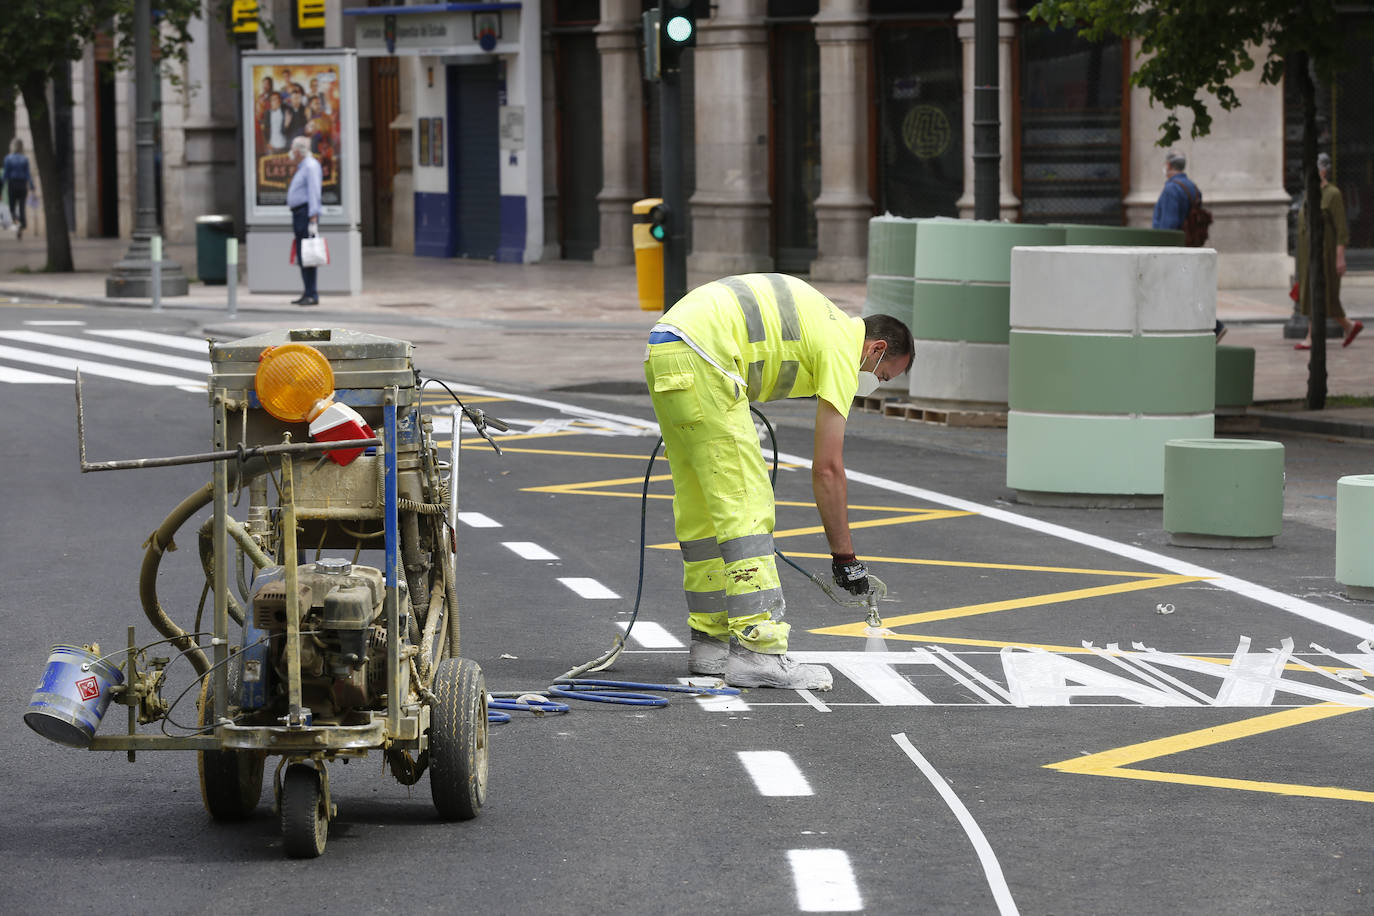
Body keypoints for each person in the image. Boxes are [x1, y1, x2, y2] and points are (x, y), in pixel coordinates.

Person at [645, 274, 914, 690]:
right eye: (883, 376)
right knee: (746, 503)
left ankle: (710, 644)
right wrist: (844, 557)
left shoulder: (822, 323)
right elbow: (827, 468)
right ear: (876, 349)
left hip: (666, 347)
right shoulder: (842, 348)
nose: (874, 384)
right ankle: (759, 651)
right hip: (705, 355)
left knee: (702, 509)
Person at [1153, 150, 1225, 340]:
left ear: (1168, 165)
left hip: (1174, 251)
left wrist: (1158, 250)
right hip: (1190, 247)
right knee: (1185, 289)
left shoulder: (1171, 189)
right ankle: (1210, 326)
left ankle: (1213, 326)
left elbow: (1167, 228)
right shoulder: (1192, 187)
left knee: (1176, 291)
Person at [1295, 152, 1361, 350]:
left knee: (1321, 294)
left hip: (1326, 254)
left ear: (1324, 170)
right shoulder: (1310, 192)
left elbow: (1341, 229)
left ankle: (1312, 336)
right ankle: (1349, 326)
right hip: (1309, 254)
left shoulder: (1333, 194)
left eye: (1315, 169)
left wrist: (1340, 259)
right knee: (1317, 295)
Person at [286, 135, 322, 306]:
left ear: (299, 151)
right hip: (301, 213)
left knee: (308, 254)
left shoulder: (310, 166)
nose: (291, 152)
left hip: (306, 213)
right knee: (303, 254)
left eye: (293, 149)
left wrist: (313, 215)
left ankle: (311, 294)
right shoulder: (303, 166)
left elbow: (314, 191)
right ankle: (307, 292)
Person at [3, 138, 32, 240]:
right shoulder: (24, 159)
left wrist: (1, 186)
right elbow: (28, 174)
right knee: (22, 207)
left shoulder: (8, 158)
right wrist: (32, 186)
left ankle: (18, 222)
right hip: (22, 185)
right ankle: (22, 224)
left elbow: (6, 174)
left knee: (12, 208)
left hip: (13, 184)